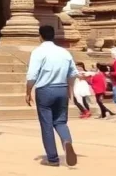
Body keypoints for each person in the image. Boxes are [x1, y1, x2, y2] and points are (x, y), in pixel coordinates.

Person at [25, 25, 77, 168]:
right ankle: (66, 141)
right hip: (62, 88)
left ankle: (53, 159)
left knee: (46, 125)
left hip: (45, 90)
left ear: (40, 36)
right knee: (60, 122)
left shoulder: (38, 52)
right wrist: (70, 89)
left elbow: (32, 75)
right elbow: (73, 73)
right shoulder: (64, 52)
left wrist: (28, 91)